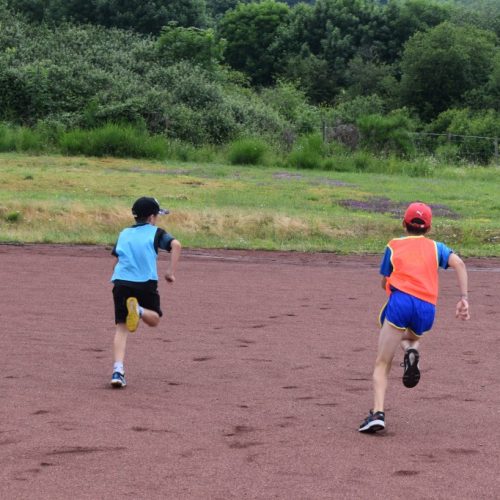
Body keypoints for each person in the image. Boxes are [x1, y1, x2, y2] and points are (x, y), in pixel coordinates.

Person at [358, 202, 470, 433]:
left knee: (382, 361)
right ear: (429, 228)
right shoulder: (436, 247)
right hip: (426, 308)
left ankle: (377, 414)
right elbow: (459, 263)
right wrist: (464, 298)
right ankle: (411, 352)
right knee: (409, 337)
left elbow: (384, 280)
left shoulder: (394, 245)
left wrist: (389, 283)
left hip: (401, 303)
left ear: (404, 224)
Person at [110, 196, 181, 388]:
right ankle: (139, 310)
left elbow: (116, 260)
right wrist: (170, 272)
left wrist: (117, 277)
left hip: (121, 282)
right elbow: (176, 245)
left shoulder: (124, 233)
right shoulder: (156, 232)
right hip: (145, 282)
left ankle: (118, 371)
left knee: (121, 328)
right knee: (154, 319)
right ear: (151, 217)